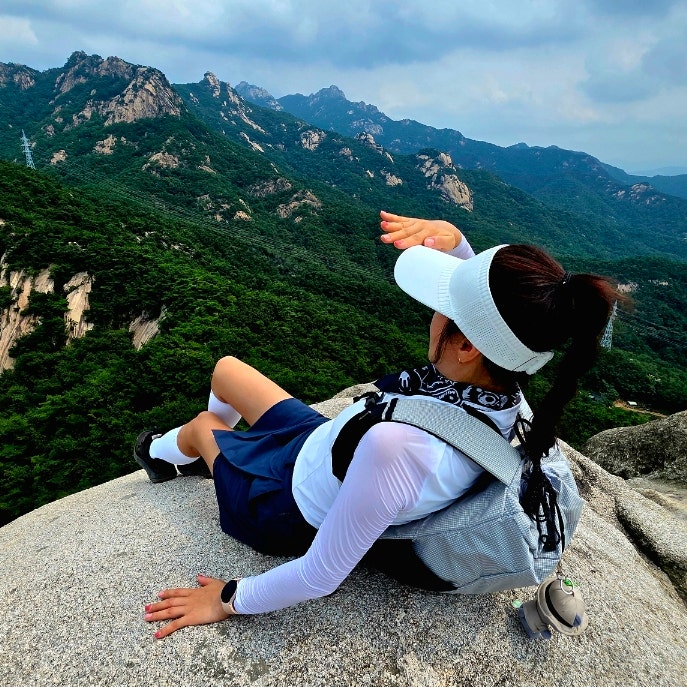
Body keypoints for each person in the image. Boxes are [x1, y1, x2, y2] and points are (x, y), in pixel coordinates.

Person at [137, 210, 618, 639]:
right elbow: (499, 316)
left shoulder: (400, 450)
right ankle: (213, 455)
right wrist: (456, 243)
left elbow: (320, 574)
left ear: (468, 344)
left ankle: (159, 454)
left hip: (283, 505)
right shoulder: (504, 391)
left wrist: (227, 599)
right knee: (226, 371)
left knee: (204, 425)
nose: (434, 314)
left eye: (445, 308)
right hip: (319, 447)